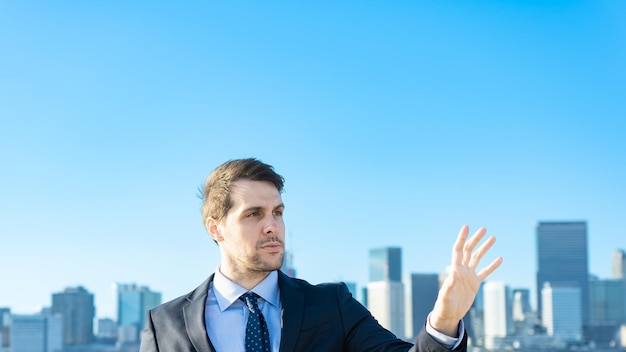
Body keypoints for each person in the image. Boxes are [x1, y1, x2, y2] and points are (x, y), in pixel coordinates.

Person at [139, 158, 502, 352]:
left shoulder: (333, 306)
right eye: (254, 214)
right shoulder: (164, 325)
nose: (272, 226)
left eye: (277, 213)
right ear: (216, 228)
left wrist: (443, 322)